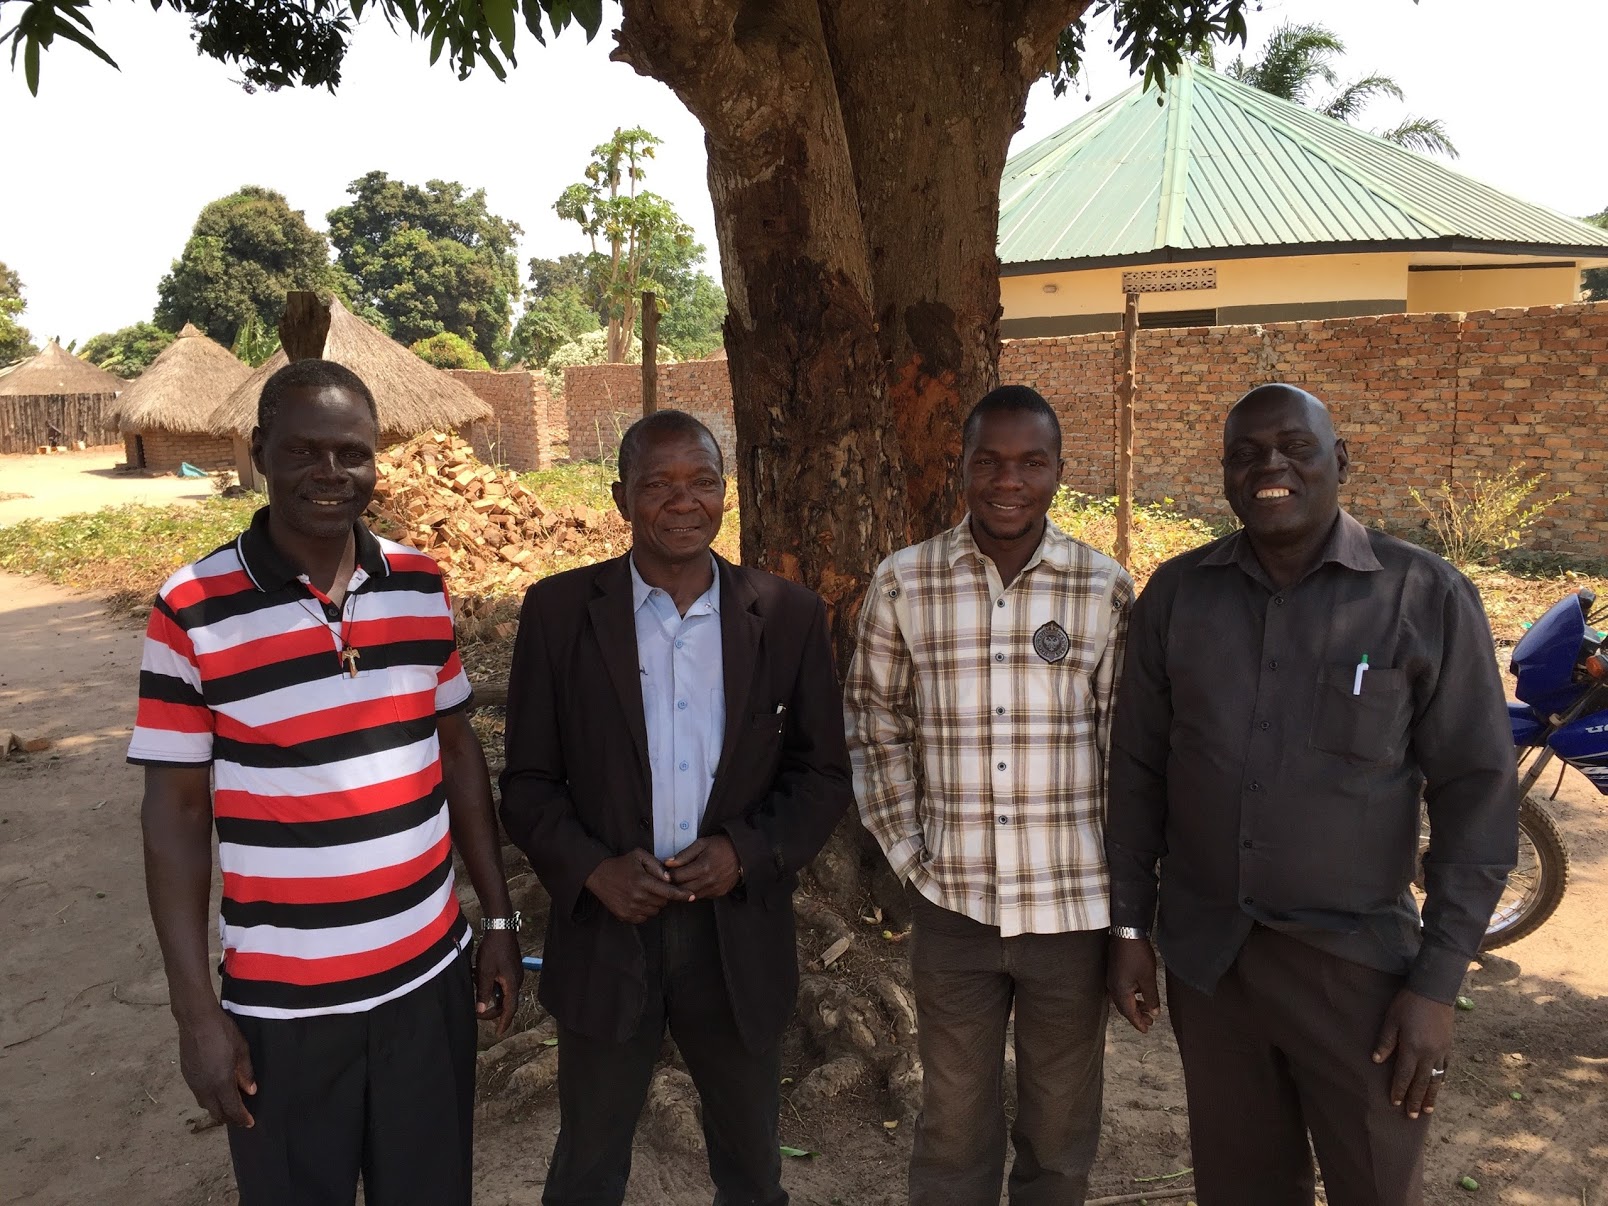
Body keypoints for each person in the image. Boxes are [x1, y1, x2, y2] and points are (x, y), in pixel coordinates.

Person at [1106, 383, 1517, 1206]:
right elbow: (1137, 771)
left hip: (1358, 969)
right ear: (1225, 474)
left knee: (1374, 1181)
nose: (1270, 467)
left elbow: (1477, 793)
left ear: (1341, 459)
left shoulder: (1424, 596)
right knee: (1241, 1186)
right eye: (1246, 453)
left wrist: (1435, 985)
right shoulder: (1178, 597)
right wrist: (1128, 926)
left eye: (1295, 446)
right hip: (1211, 964)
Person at [131, 359, 522, 1206]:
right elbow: (173, 816)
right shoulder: (192, 606)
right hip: (284, 1013)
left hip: (428, 982)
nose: (331, 473)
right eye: (305, 451)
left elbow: (456, 754)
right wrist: (197, 1013)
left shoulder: (419, 585)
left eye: (352, 452)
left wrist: (496, 916)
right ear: (258, 450)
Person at [499, 409, 852, 1206]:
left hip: (735, 939)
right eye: (659, 485)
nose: (683, 502)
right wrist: (592, 871)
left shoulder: (787, 615)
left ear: (725, 494)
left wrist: (747, 852)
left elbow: (824, 774)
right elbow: (525, 784)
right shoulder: (558, 613)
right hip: (607, 934)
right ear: (622, 497)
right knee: (587, 1165)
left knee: (752, 1168)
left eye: (702, 483)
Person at [845, 385, 1133, 1206]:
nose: (1009, 480)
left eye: (1031, 463)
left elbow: (1125, 753)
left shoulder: (1102, 589)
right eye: (989, 462)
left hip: (1071, 913)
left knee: (1061, 1124)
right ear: (962, 468)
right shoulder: (904, 583)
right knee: (953, 1120)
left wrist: (1126, 908)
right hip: (953, 906)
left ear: (1059, 472)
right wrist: (911, 854)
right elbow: (874, 723)